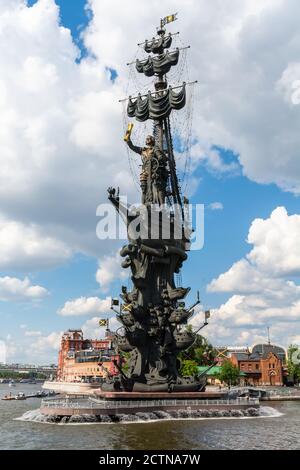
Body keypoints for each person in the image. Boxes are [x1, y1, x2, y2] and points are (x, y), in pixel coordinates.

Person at [126, 134, 167, 205]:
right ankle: (143, 205)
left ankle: (161, 205)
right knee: (144, 188)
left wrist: (160, 158)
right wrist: (128, 139)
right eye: (146, 139)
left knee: (157, 186)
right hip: (145, 172)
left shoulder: (155, 149)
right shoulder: (142, 150)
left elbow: (160, 156)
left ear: (152, 140)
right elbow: (132, 147)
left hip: (154, 170)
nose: (147, 139)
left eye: (149, 138)